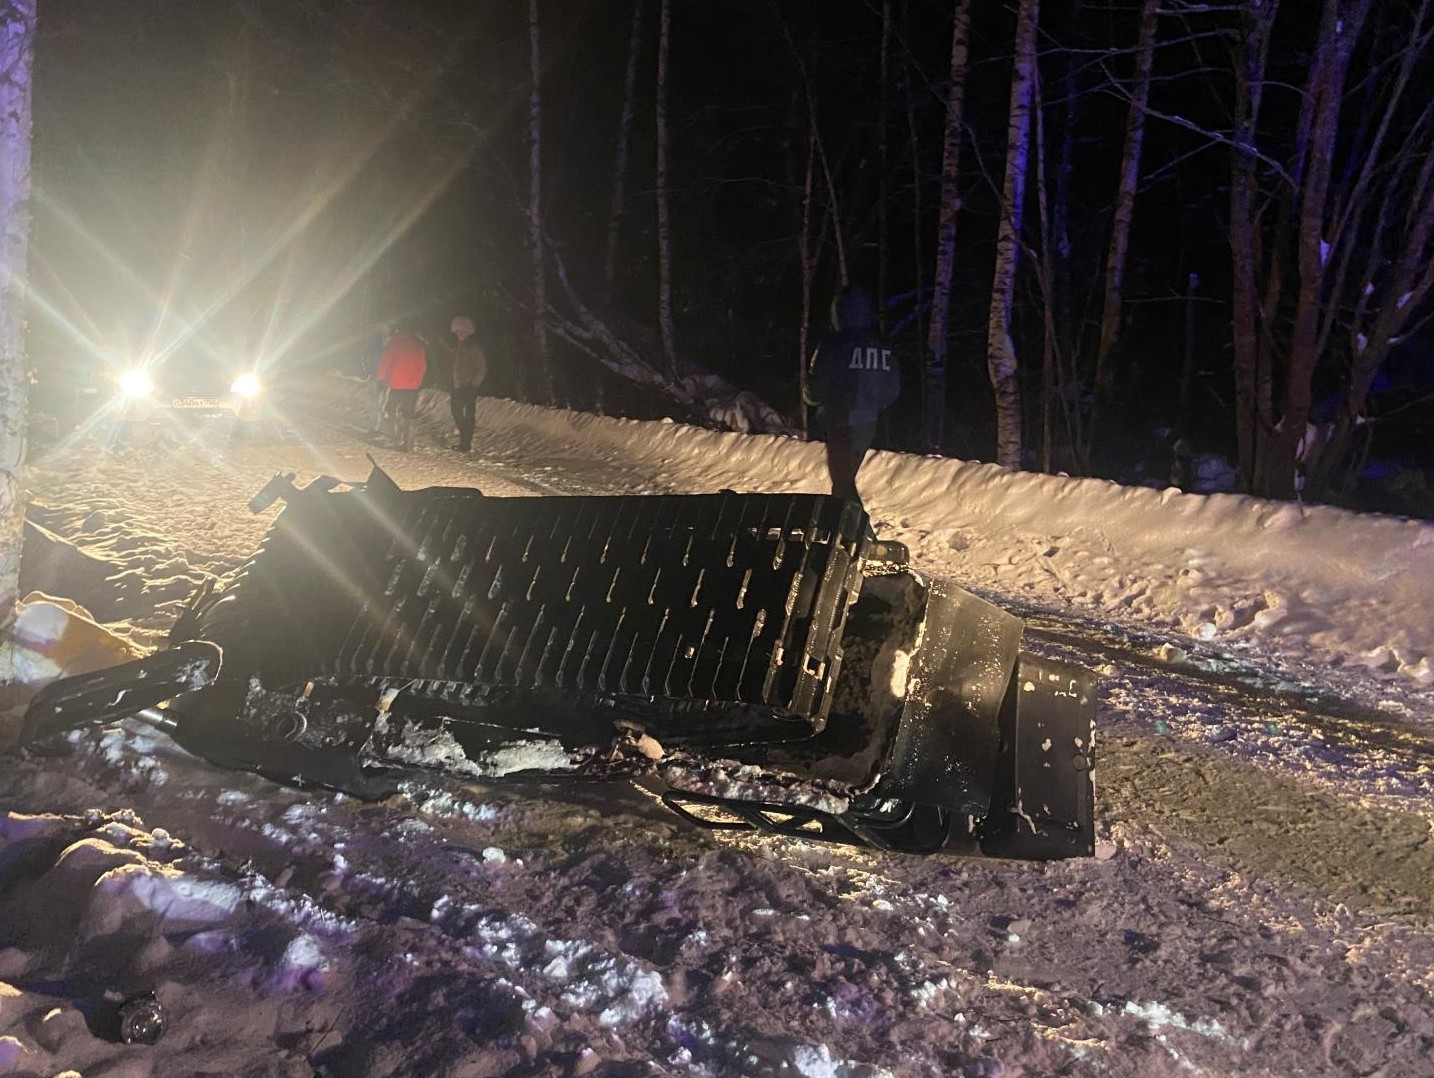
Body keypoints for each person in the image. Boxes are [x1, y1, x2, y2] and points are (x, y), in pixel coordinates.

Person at [803, 283, 900, 507]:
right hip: (868, 423)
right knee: (843, 482)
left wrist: (811, 394)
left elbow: (815, 391)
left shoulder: (833, 344)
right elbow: (893, 387)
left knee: (843, 484)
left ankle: (864, 534)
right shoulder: (882, 345)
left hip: (840, 421)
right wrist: (872, 405)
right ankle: (842, 532)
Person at [375, 325, 427, 451]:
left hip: (396, 384)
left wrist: (379, 377)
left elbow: (385, 362)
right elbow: (422, 366)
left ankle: (393, 438)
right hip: (413, 386)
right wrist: (418, 381)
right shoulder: (418, 346)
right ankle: (408, 443)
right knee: (408, 413)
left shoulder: (394, 344)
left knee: (390, 410)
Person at [447, 315, 488, 452]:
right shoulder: (458, 346)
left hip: (468, 386)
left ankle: (465, 443)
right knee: (456, 411)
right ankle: (464, 440)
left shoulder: (473, 347)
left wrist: (473, 385)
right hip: (457, 385)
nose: (459, 334)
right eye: (457, 332)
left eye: (462, 331)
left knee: (468, 414)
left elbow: (481, 368)